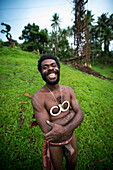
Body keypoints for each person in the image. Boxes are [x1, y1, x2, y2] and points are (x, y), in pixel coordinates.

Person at [31, 54, 84, 170]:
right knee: (57, 168)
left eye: (53, 65)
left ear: (58, 68)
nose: (50, 68)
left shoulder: (68, 90)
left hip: (71, 137)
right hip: (55, 144)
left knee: (72, 163)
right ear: (41, 72)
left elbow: (81, 114)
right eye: (45, 67)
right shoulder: (38, 98)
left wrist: (64, 129)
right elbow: (49, 131)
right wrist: (71, 114)